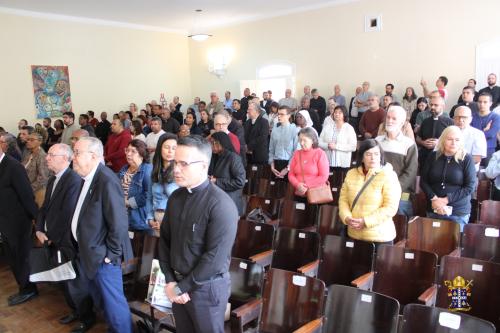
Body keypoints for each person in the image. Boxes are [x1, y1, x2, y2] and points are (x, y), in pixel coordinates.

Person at [158, 135, 238, 333]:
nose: (176, 169)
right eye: (175, 162)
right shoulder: (176, 197)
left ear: (203, 165)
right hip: (177, 286)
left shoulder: (221, 205)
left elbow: (214, 259)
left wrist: (181, 287)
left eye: (184, 164)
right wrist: (170, 280)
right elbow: (165, 241)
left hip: (206, 289)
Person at [71, 137, 133, 332]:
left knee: (114, 307)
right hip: (89, 254)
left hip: (103, 258)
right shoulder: (86, 178)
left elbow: (119, 222)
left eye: (77, 153)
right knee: (103, 304)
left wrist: (110, 255)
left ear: (94, 156)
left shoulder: (105, 180)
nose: (73, 157)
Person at [34, 144, 87, 328]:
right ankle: (75, 311)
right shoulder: (53, 179)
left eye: (51, 155)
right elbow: (44, 208)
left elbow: (68, 214)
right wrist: (39, 229)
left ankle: (86, 318)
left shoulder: (73, 180)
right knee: (65, 281)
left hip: (65, 241)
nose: (47, 158)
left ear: (65, 158)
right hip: (52, 238)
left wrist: (50, 236)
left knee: (75, 282)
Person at [339, 139, 401, 246]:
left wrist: (366, 221)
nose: (373, 158)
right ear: (362, 157)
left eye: (376, 154)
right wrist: (347, 217)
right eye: (368, 154)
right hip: (354, 234)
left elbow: (390, 207)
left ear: (381, 156)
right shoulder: (351, 174)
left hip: (380, 237)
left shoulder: (388, 175)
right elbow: (343, 200)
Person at [0, 138, 39, 306]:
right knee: (12, 257)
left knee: (21, 257)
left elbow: (27, 196)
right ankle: (23, 286)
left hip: (17, 221)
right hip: (4, 221)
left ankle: (28, 289)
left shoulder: (13, 166)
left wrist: (37, 219)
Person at [420, 126, 476, 232]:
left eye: (457, 140)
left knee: (454, 246)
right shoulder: (433, 156)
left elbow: (470, 187)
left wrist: (446, 200)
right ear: (443, 140)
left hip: (457, 212)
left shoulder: (466, 159)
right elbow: (423, 181)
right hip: (434, 208)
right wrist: (434, 199)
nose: (453, 143)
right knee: (430, 245)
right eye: (450, 139)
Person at [376, 106, 418, 217]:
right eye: (388, 117)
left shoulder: (409, 144)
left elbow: (411, 172)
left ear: (402, 122)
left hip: (400, 195)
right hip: (377, 193)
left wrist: (393, 189)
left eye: (394, 118)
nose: (389, 121)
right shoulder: (377, 141)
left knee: (400, 228)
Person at [146, 133, 179, 231]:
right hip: (156, 220)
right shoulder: (154, 171)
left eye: (174, 148)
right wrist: (150, 218)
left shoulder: (180, 172)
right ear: (160, 148)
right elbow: (149, 197)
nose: (170, 151)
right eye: (167, 147)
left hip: (173, 221)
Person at [118, 140, 152, 231]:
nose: (128, 154)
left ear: (141, 154)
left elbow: (149, 195)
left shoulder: (147, 170)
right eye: (127, 150)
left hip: (137, 218)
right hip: (120, 215)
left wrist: (128, 202)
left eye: (133, 151)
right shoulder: (124, 168)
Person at [209, 132, 246, 216]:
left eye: (213, 143)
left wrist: (216, 181)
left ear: (221, 143)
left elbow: (240, 182)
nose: (211, 145)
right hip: (217, 200)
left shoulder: (233, 158)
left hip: (230, 202)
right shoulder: (214, 156)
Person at [288, 127, 329, 198]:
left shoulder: (320, 153)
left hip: (315, 194)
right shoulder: (297, 153)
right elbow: (291, 174)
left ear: (312, 141)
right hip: (297, 192)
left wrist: (306, 186)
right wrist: (297, 185)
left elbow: (323, 177)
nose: (301, 143)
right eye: (300, 140)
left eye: (304, 140)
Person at [416, 95, 453, 168]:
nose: (432, 107)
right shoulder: (425, 121)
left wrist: (439, 143)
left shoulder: (450, 122)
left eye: (436, 105)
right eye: (431, 105)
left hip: (442, 158)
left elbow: (454, 141)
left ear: (442, 106)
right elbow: (418, 138)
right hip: (425, 158)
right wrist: (423, 143)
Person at [319, 105, 357, 177]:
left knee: (340, 184)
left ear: (344, 114)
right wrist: (327, 145)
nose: (337, 114)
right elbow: (319, 142)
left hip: (342, 163)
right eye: (335, 112)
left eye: (340, 112)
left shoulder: (349, 128)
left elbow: (353, 147)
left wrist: (336, 146)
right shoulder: (327, 127)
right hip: (328, 161)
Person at [269, 105, 299, 180]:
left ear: (289, 115)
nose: (279, 116)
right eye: (278, 114)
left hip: (289, 164)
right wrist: (272, 165)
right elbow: (271, 149)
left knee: (286, 190)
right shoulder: (275, 129)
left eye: (282, 114)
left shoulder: (293, 129)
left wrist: (287, 168)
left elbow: (296, 151)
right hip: (275, 163)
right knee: (274, 189)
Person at [453, 106, 487, 170]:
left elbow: (477, 158)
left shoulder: (478, 134)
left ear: (470, 119)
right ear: (453, 118)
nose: (460, 120)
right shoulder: (447, 132)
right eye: (458, 117)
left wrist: (454, 161)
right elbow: (438, 151)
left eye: (464, 117)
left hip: (468, 170)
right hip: (448, 170)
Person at [22, 132, 50, 207]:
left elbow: (42, 178)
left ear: (40, 142)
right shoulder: (28, 153)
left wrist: (28, 189)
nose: (28, 142)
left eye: (32, 140)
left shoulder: (42, 156)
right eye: (27, 139)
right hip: (26, 188)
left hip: (37, 192)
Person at [471, 92, 500, 162]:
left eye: (485, 102)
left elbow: (491, 134)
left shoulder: (496, 117)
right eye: (480, 102)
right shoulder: (472, 116)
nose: (482, 104)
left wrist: (479, 133)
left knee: (487, 172)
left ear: (490, 103)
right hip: (473, 149)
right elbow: (469, 134)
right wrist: (484, 131)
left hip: (489, 149)